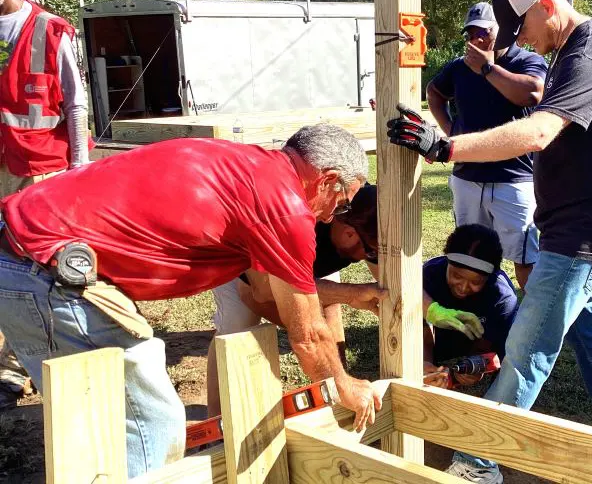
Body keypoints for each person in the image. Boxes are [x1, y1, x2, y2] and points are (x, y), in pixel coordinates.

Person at [0, 124, 385, 478]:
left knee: (97, 421)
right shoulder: (284, 205)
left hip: (26, 250)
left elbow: (266, 292)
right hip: (47, 268)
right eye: (342, 203)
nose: (334, 215)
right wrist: (345, 386)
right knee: (149, 425)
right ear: (328, 181)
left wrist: (348, 297)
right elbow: (309, 337)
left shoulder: (249, 167)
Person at [388, 0, 592, 483]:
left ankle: (477, 463)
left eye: (523, 29)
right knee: (589, 334)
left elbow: (536, 132)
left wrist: (446, 147)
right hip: (572, 223)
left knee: (526, 348)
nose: (521, 41)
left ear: (547, 6)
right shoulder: (575, 53)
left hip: (582, 230)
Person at [0, 0, 92, 408]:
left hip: (44, 169)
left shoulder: (50, 30)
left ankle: (25, 366)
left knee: (39, 266)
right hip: (2, 167)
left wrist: (81, 173)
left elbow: (76, 105)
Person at [206, 183, 381, 417]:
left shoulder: (367, 220)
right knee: (235, 331)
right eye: (370, 253)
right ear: (349, 234)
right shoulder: (286, 217)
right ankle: (215, 427)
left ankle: (336, 399)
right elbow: (260, 292)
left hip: (299, 259)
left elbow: (389, 289)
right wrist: (349, 294)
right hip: (243, 266)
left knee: (329, 313)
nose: (370, 258)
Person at [426, 2, 546, 289]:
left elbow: (531, 94)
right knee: (470, 256)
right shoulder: (459, 67)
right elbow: (434, 92)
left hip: (514, 179)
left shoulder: (526, 61)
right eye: (471, 34)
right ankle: (483, 312)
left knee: (527, 260)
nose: (476, 40)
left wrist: (487, 68)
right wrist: (451, 130)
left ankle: (533, 328)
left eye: (484, 32)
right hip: (468, 178)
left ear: (503, 31)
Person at [422, 224, 519, 390]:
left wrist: (475, 365)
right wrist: (424, 364)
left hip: (480, 340)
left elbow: (497, 350)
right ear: (447, 262)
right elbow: (420, 331)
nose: (463, 287)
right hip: (441, 340)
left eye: (476, 282)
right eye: (456, 275)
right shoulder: (428, 276)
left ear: (490, 277)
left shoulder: (502, 298)